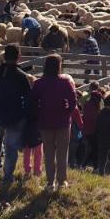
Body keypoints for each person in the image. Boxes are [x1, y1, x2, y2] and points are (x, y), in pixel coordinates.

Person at [0, 44, 32, 187]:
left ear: (4, 56)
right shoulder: (21, 76)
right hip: (14, 115)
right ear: (19, 57)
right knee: (11, 145)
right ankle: (7, 175)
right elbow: (28, 98)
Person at [31, 54, 77, 192]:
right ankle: (62, 182)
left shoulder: (39, 83)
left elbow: (33, 101)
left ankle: (50, 182)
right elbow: (73, 100)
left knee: (49, 152)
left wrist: (39, 113)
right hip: (62, 122)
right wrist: (67, 113)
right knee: (62, 153)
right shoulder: (64, 82)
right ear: (59, 66)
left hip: (45, 122)